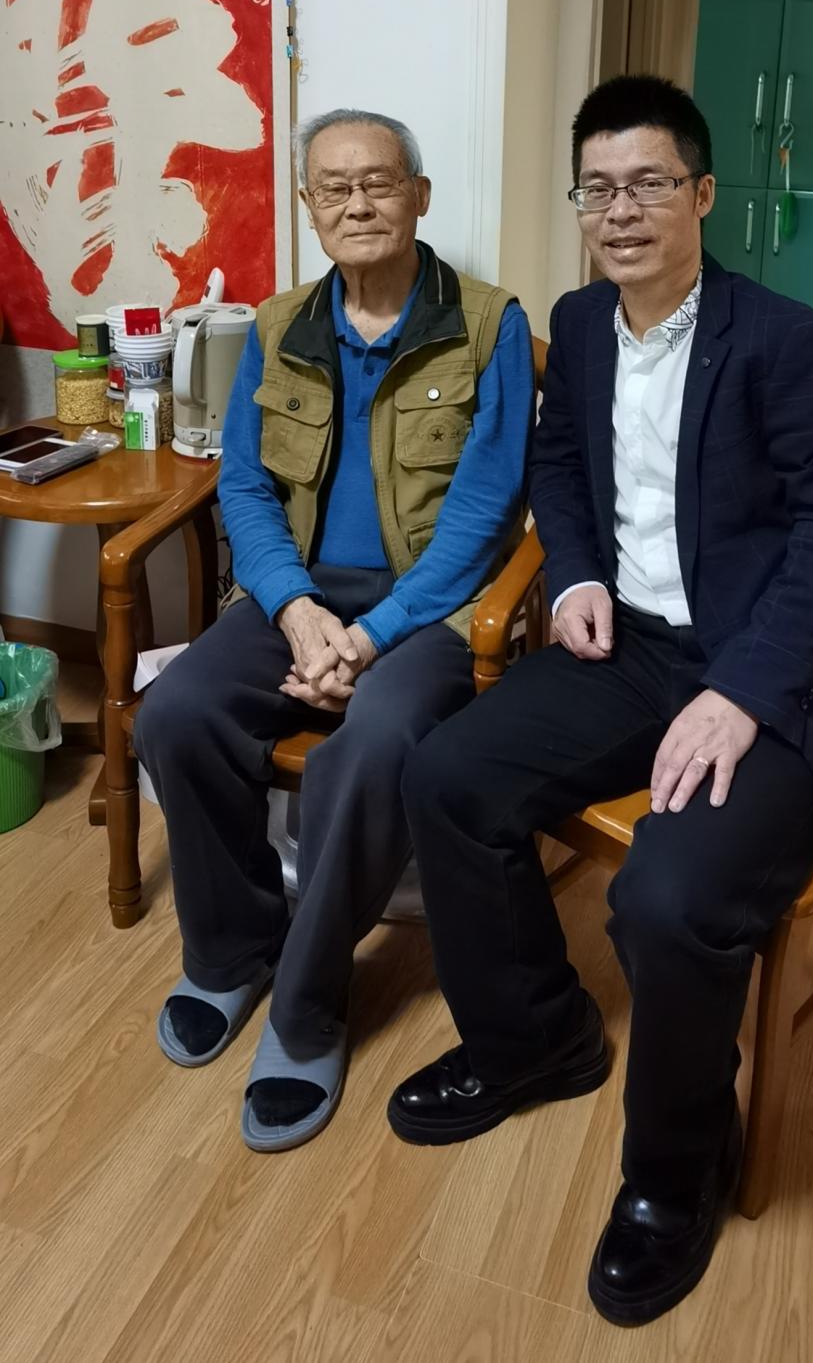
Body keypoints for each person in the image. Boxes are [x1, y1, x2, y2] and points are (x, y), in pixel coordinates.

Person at [390, 75, 813, 1325]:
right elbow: (561, 464)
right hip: (634, 649)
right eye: (599, 188)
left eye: (649, 183)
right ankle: (535, 1039)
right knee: (446, 776)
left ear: (702, 194)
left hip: (775, 676)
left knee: (666, 898)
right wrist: (571, 573)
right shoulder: (578, 321)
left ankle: (676, 1174)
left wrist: (742, 693)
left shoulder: (789, 343)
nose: (620, 210)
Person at [135, 108, 534, 1152]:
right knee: (175, 712)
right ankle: (231, 954)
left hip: (431, 607)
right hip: (303, 596)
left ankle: (308, 1007)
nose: (357, 204)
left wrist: (372, 636)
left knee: (374, 741)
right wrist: (299, 609)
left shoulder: (490, 324)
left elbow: (484, 511)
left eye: (379, 182)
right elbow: (245, 487)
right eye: (333, 188)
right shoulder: (278, 327)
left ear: (420, 196)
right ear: (309, 205)